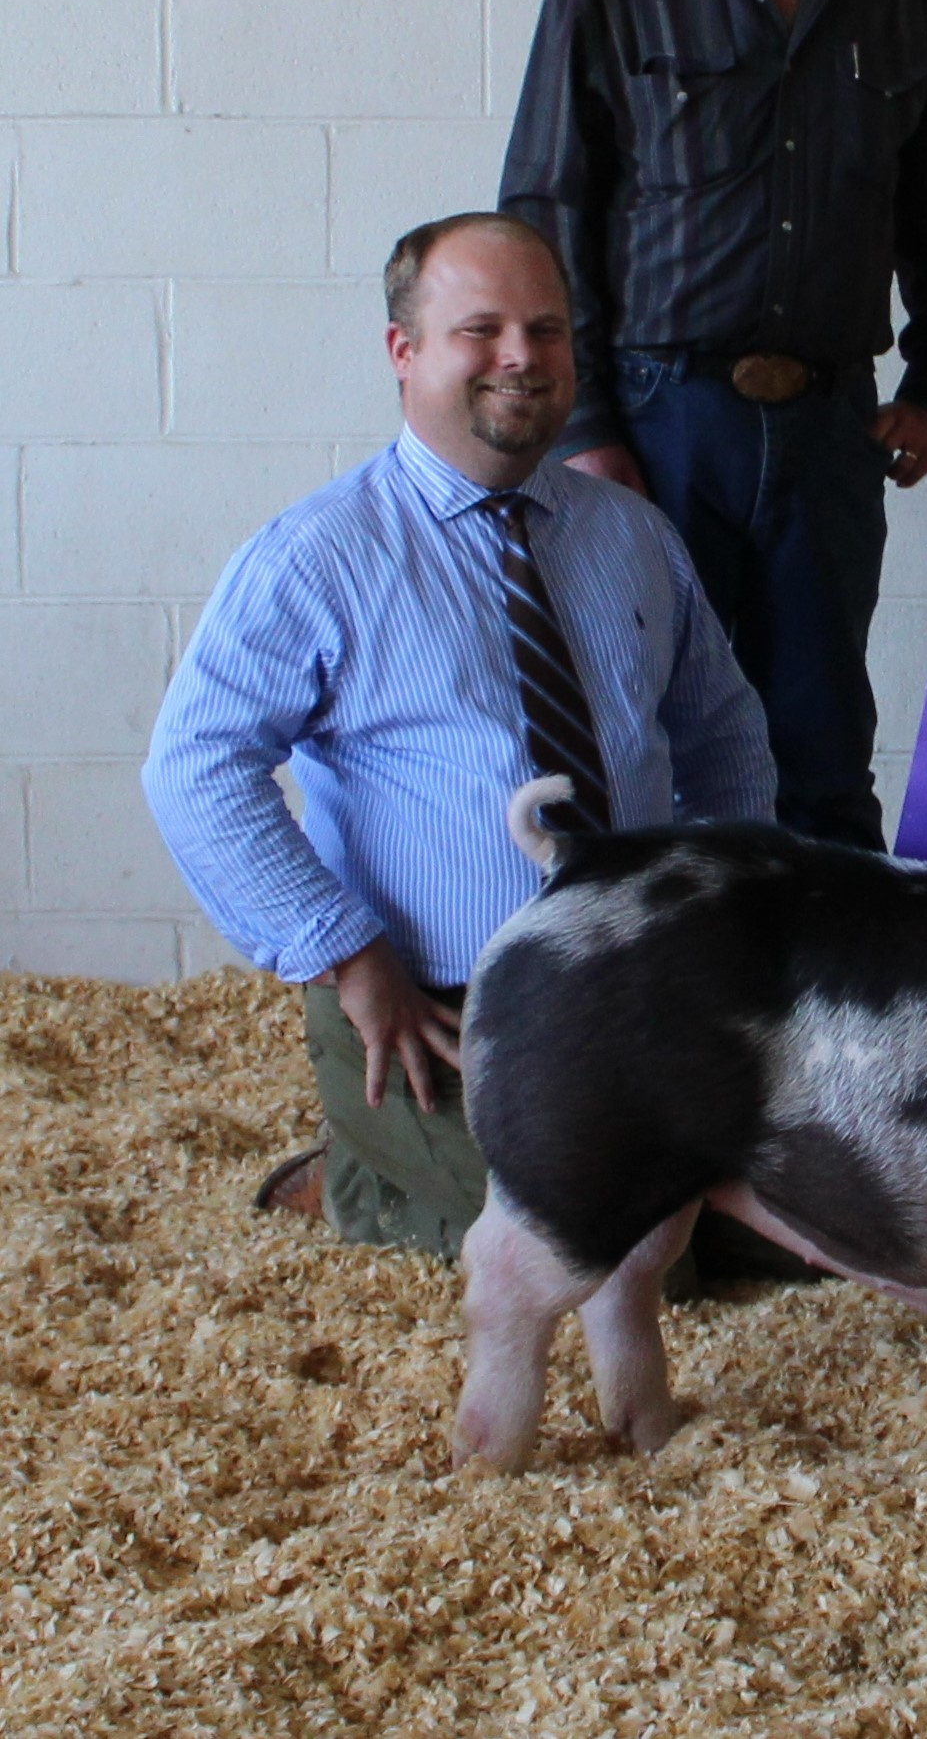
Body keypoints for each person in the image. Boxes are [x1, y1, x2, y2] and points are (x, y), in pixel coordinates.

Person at [142, 213, 777, 1258]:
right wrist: (345, 953)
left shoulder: (631, 533)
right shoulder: (318, 556)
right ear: (405, 352)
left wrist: (728, 911)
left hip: (640, 979)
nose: (522, 357)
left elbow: (722, 734)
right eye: (479, 330)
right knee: (578, 1254)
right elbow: (194, 768)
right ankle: (362, 1164)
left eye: (548, 328)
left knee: (791, 1220)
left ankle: (414, 1151)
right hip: (445, 1004)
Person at [500, 0, 927, 856]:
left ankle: (829, 1035)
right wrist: (591, 434)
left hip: (834, 435)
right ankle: (666, 1027)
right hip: (660, 435)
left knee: (821, 755)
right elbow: (544, 220)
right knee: (650, 748)